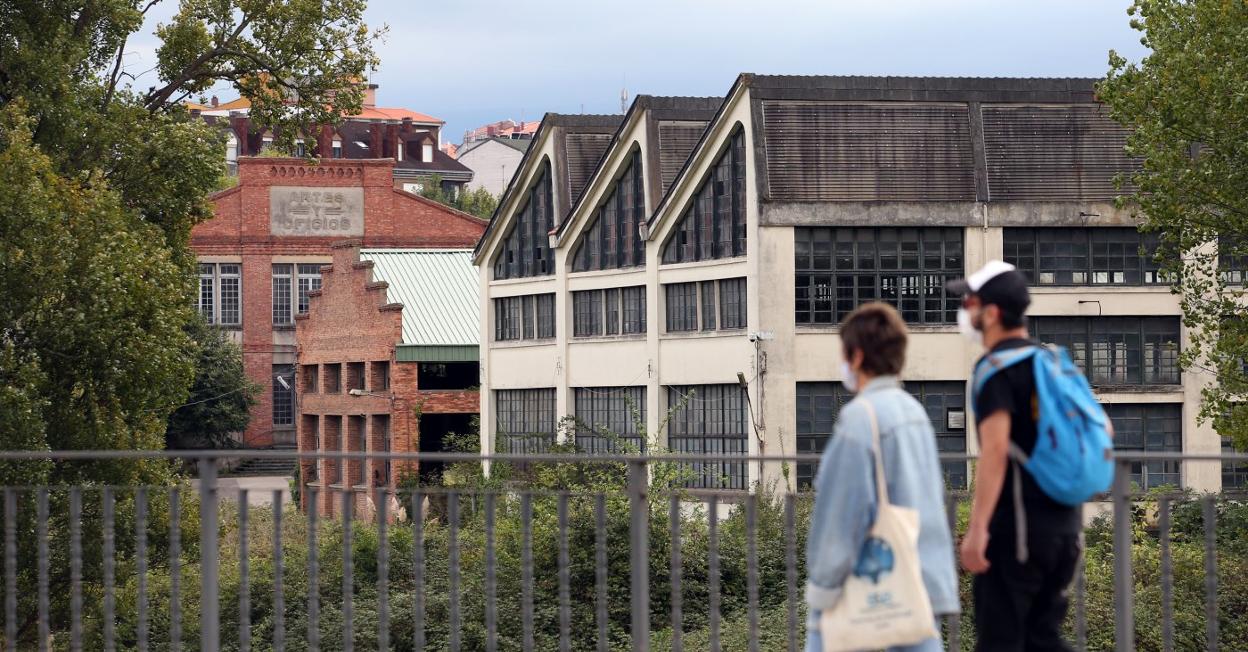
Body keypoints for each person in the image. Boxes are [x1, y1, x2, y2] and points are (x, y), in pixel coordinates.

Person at [805, 302, 959, 652]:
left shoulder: (861, 418)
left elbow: (841, 515)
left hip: (869, 585)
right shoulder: (915, 412)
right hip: (918, 583)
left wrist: (823, 587)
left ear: (857, 356)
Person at [947, 261, 1082, 652]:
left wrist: (977, 530)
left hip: (1017, 532)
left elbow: (994, 452)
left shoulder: (995, 370)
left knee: (1000, 641)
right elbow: (1101, 431)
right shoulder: (1052, 362)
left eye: (969, 302)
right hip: (1064, 529)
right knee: (1041, 639)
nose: (965, 311)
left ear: (990, 313)